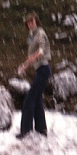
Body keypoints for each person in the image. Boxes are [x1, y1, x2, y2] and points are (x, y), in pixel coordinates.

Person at [16, 11, 52, 139]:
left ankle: (25, 131)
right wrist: (24, 66)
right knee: (37, 100)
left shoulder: (40, 34)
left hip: (44, 70)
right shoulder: (32, 36)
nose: (30, 24)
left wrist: (32, 59)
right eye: (28, 22)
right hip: (40, 70)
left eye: (32, 21)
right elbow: (31, 56)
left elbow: (41, 51)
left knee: (29, 100)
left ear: (36, 21)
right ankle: (41, 129)